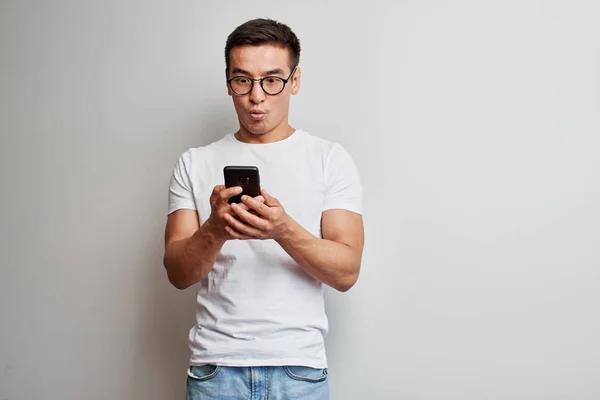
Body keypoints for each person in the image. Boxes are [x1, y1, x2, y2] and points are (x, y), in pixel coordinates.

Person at [163, 18, 364, 400]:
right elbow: (177, 272)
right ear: (228, 83)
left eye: (273, 80)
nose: (257, 96)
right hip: (216, 369)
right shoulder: (193, 162)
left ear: (295, 81)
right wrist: (214, 230)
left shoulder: (330, 159)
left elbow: (347, 272)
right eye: (243, 80)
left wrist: (284, 229)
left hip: (299, 369)